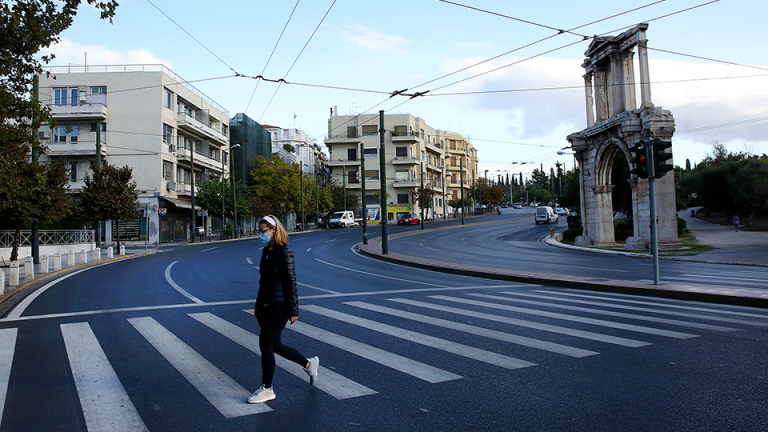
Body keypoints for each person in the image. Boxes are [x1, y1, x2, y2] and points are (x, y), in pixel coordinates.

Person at [248, 215, 319, 404]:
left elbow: (290, 281)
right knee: (276, 346)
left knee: (265, 344)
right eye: (260, 231)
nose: (261, 235)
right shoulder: (266, 251)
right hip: (265, 304)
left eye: (264, 232)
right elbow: (263, 281)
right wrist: (257, 304)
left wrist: (293, 309)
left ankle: (267, 389)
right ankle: (309, 364)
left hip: (279, 305)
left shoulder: (284, 252)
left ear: (274, 230)